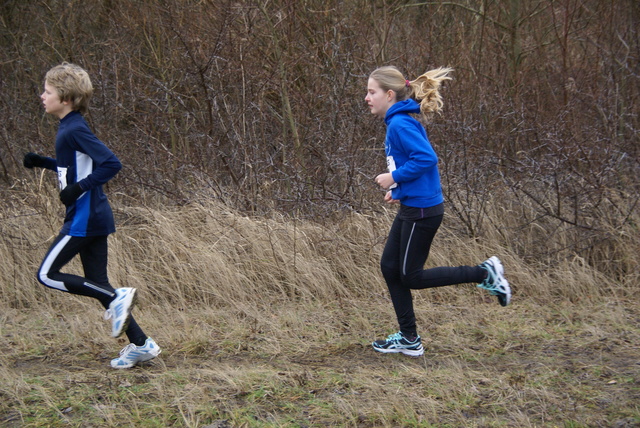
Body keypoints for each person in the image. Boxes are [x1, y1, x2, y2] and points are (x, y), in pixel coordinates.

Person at [365, 66, 511, 357]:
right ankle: (409, 339)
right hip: (414, 206)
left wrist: (394, 178)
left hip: (423, 212)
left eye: (372, 92)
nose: (367, 98)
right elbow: (416, 166)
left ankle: (484, 273)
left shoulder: (400, 124)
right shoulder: (399, 121)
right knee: (390, 268)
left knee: (410, 276)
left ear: (389, 94)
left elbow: (427, 159)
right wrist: (400, 191)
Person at [23, 62, 161, 369]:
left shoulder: (74, 128)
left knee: (46, 274)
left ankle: (117, 298)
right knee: (97, 282)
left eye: (48, 91)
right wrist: (43, 162)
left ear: (67, 99)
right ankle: (142, 345)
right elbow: (75, 166)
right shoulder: (68, 128)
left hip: (84, 217)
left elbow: (111, 164)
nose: (42, 96)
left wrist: (78, 190)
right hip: (94, 215)